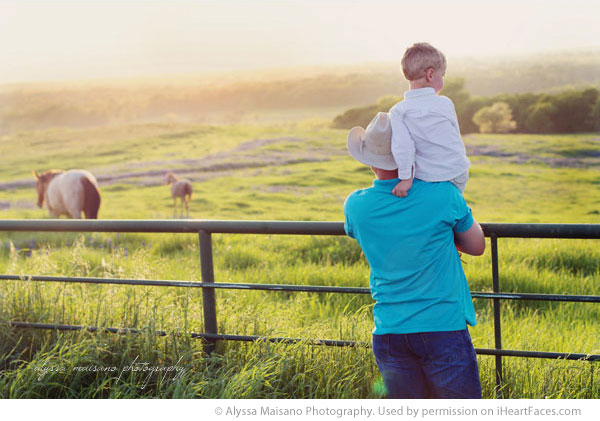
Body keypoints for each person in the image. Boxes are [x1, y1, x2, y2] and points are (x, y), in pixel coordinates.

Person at [344, 112, 485, 399]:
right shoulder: (443, 194)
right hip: (442, 327)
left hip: (389, 331)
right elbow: (476, 245)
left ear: (370, 161)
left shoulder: (355, 206)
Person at [390, 42, 470, 198]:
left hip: (429, 178)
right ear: (431, 75)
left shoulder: (399, 111)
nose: (443, 80)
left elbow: (403, 147)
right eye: (443, 75)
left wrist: (406, 179)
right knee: (449, 205)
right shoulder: (445, 103)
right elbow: (455, 137)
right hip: (459, 172)